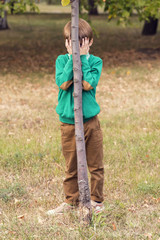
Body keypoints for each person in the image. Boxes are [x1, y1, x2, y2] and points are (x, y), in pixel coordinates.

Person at [47, 18, 104, 216]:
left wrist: (84, 58)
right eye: (73, 42)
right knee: (71, 165)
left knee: (96, 165)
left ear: (90, 42)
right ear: (66, 43)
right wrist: (72, 58)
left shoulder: (96, 61)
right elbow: (63, 83)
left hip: (90, 122)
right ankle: (71, 201)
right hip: (68, 123)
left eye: (82, 42)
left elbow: (88, 84)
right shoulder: (62, 60)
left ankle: (96, 201)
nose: (78, 46)